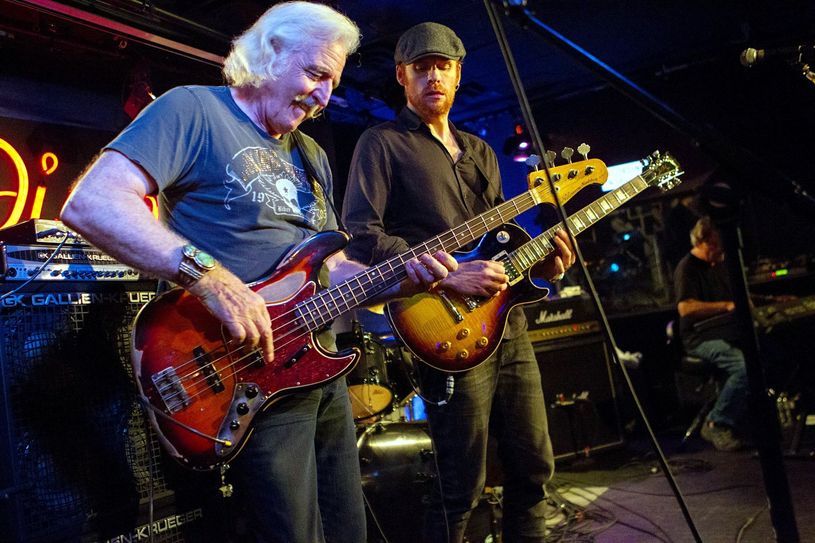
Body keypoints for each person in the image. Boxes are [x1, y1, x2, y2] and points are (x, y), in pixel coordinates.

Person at [59, 3, 458, 541]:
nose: (322, 96)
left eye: (331, 84)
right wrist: (208, 276)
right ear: (269, 53)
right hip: (243, 368)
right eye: (316, 74)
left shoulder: (312, 153)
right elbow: (93, 203)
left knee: (348, 532)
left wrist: (397, 280)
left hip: (317, 370)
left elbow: (330, 267)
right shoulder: (193, 111)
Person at [342, 22, 575, 542]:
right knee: (460, 484)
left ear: (458, 72)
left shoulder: (481, 151)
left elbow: (499, 247)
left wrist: (540, 266)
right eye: (421, 67)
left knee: (534, 467)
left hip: (506, 325)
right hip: (442, 326)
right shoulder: (380, 144)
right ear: (402, 76)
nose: (433, 77)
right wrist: (447, 274)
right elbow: (361, 235)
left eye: (442, 66)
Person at [674, 216, 748, 451]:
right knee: (742, 366)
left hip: (725, 333)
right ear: (705, 239)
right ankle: (716, 422)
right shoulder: (687, 268)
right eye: (717, 243)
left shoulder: (720, 265)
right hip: (699, 339)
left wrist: (772, 301)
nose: (721, 249)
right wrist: (725, 306)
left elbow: (737, 300)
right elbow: (685, 308)